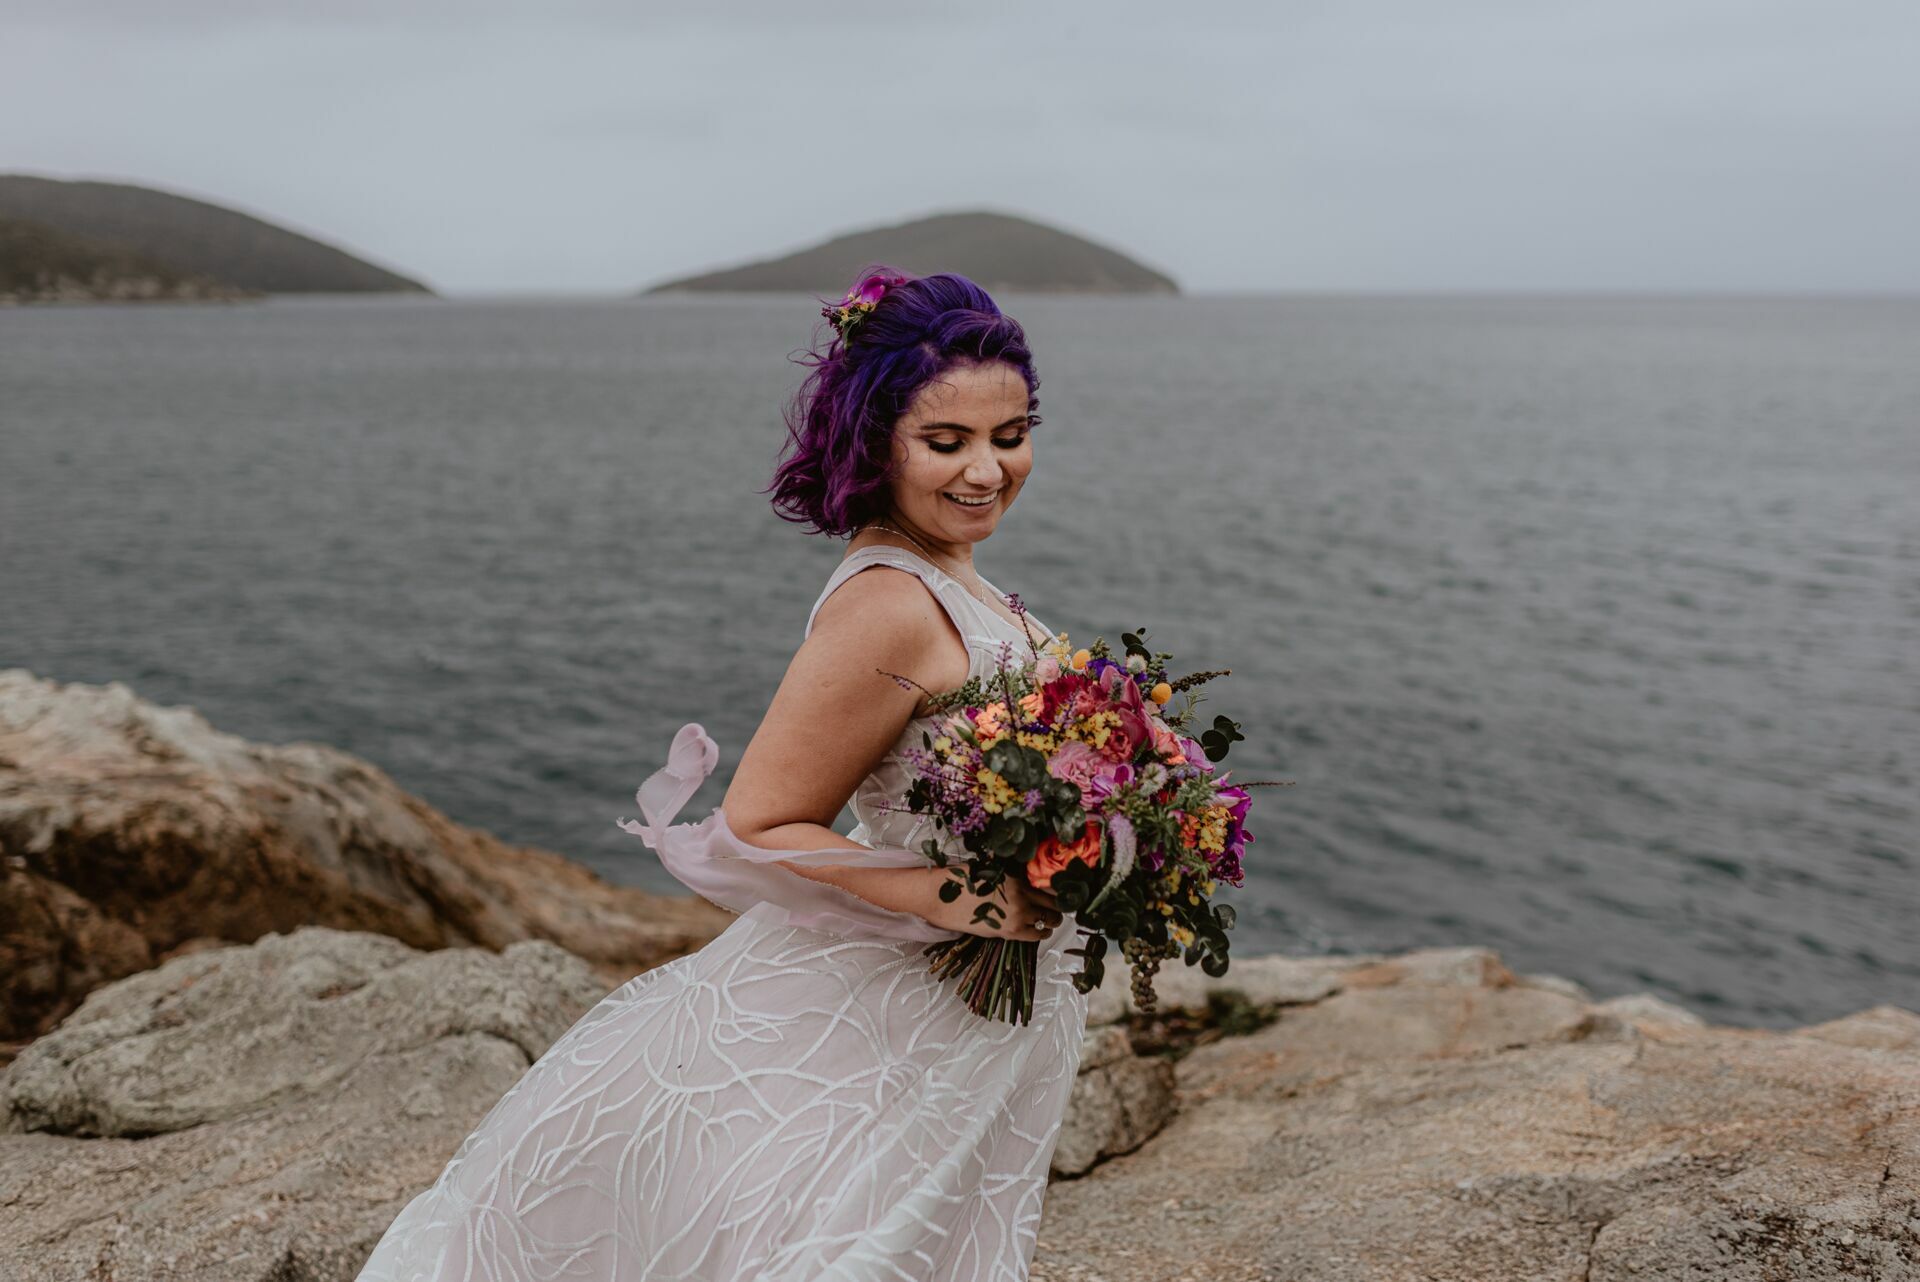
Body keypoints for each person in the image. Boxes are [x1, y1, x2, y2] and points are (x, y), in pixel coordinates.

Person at [353, 266, 1091, 1281]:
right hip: (906, 1004)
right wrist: (966, 897)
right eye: (946, 441)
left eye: (1010, 436)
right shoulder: (888, 601)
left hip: (967, 998)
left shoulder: (951, 571)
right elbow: (761, 821)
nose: (987, 470)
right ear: (877, 442)